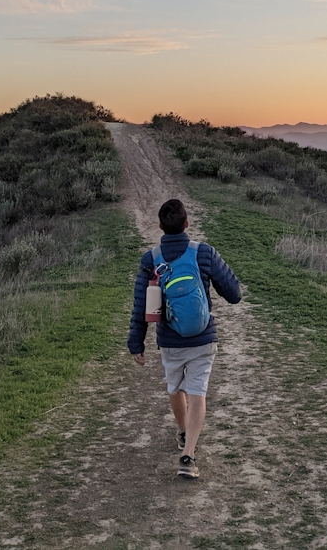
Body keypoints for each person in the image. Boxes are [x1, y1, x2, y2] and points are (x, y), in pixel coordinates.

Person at [128, 198, 241, 479]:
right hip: (203, 339)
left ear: (160, 227)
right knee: (198, 392)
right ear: (187, 224)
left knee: (175, 387)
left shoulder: (150, 260)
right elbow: (234, 294)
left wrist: (136, 343)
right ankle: (188, 453)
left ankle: (182, 432)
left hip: (170, 340)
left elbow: (142, 305)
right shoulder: (204, 253)